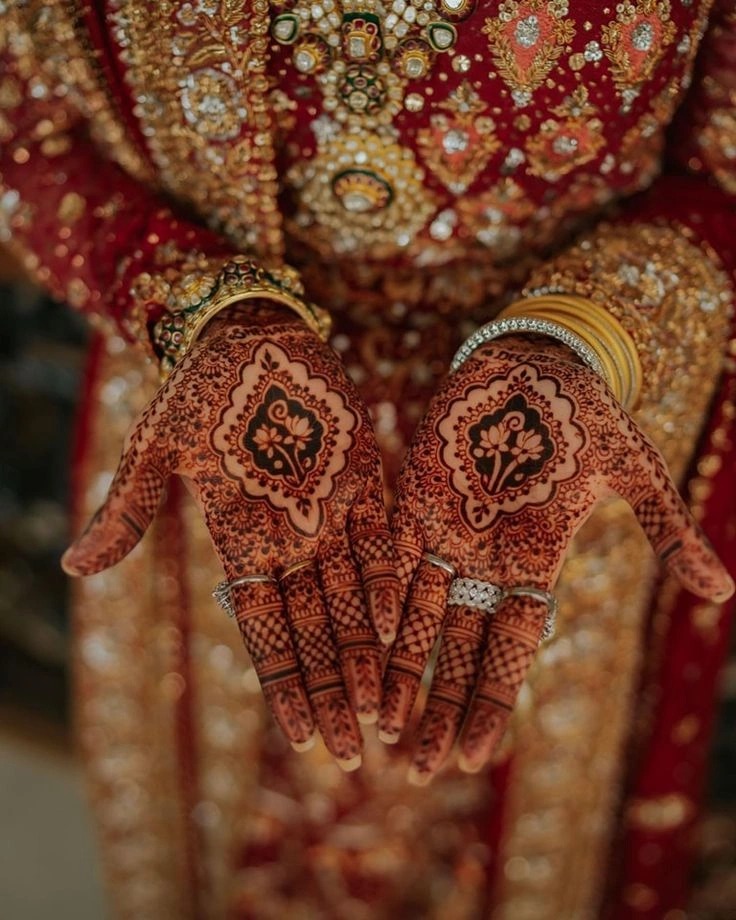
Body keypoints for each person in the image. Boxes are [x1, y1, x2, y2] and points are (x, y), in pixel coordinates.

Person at [2, 1, 735, 916]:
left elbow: (725, 169)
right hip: (224, 451)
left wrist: (588, 336)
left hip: (560, 478)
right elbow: (21, 131)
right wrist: (203, 308)